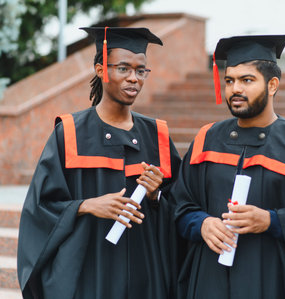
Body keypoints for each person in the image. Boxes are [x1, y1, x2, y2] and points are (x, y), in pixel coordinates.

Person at [17, 27, 182, 299]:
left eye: (141, 71)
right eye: (123, 68)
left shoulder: (157, 136)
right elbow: (40, 208)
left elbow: (180, 205)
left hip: (145, 277)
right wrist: (85, 206)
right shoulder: (70, 132)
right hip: (88, 275)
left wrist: (157, 195)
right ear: (100, 69)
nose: (134, 78)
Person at [171, 35, 285, 299]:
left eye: (247, 80)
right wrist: (201, 224)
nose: (235, 89)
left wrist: (271, 220)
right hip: (209, 281)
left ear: (272, 85)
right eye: (229, 81)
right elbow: (179, 205)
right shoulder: (206, 139)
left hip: (270, 280)